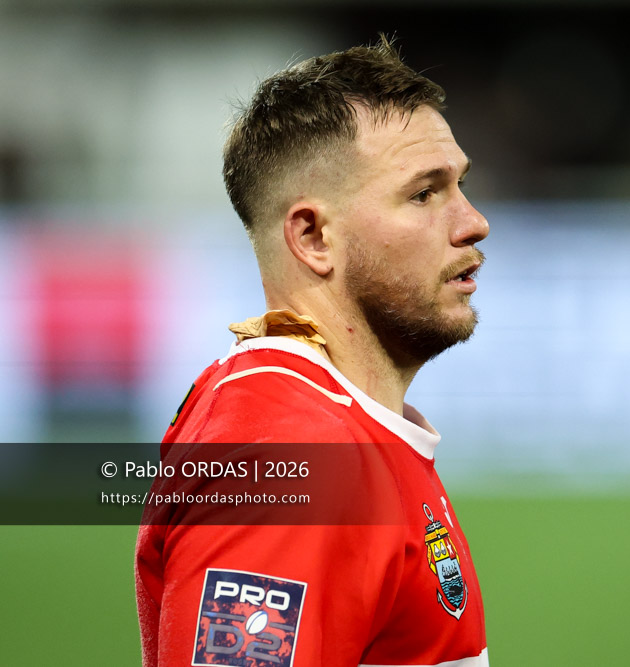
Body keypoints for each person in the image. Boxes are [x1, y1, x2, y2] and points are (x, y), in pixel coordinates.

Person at [135, 36, 490, 667]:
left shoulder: (329, 427)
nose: (473, 222)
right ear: (313, 236)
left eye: (460, 185)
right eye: (424, 194)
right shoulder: (286, 456)